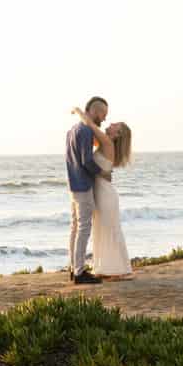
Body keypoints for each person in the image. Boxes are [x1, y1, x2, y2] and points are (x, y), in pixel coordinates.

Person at [72, 110, 134, 280]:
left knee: (109, 229)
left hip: (105, 193)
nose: (111, 124)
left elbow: (90, 124)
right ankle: (105, 268)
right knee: (101, 229)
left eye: (116, 125)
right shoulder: (103, 142)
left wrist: (78, 111)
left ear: (117, 134)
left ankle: (120, 269)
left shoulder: (107, 142)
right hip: (101, 191)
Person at [65, 97, 109, 283]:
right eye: (103, 114)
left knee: (75, 227)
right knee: (83, 228)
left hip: (73, 184)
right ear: (95, 111)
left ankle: (73, 267)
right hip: (83, 185)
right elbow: (86, 161)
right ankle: (79, 273)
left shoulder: (72, 130)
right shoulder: (85, 131)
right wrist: (102, 172)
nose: (104, 119)